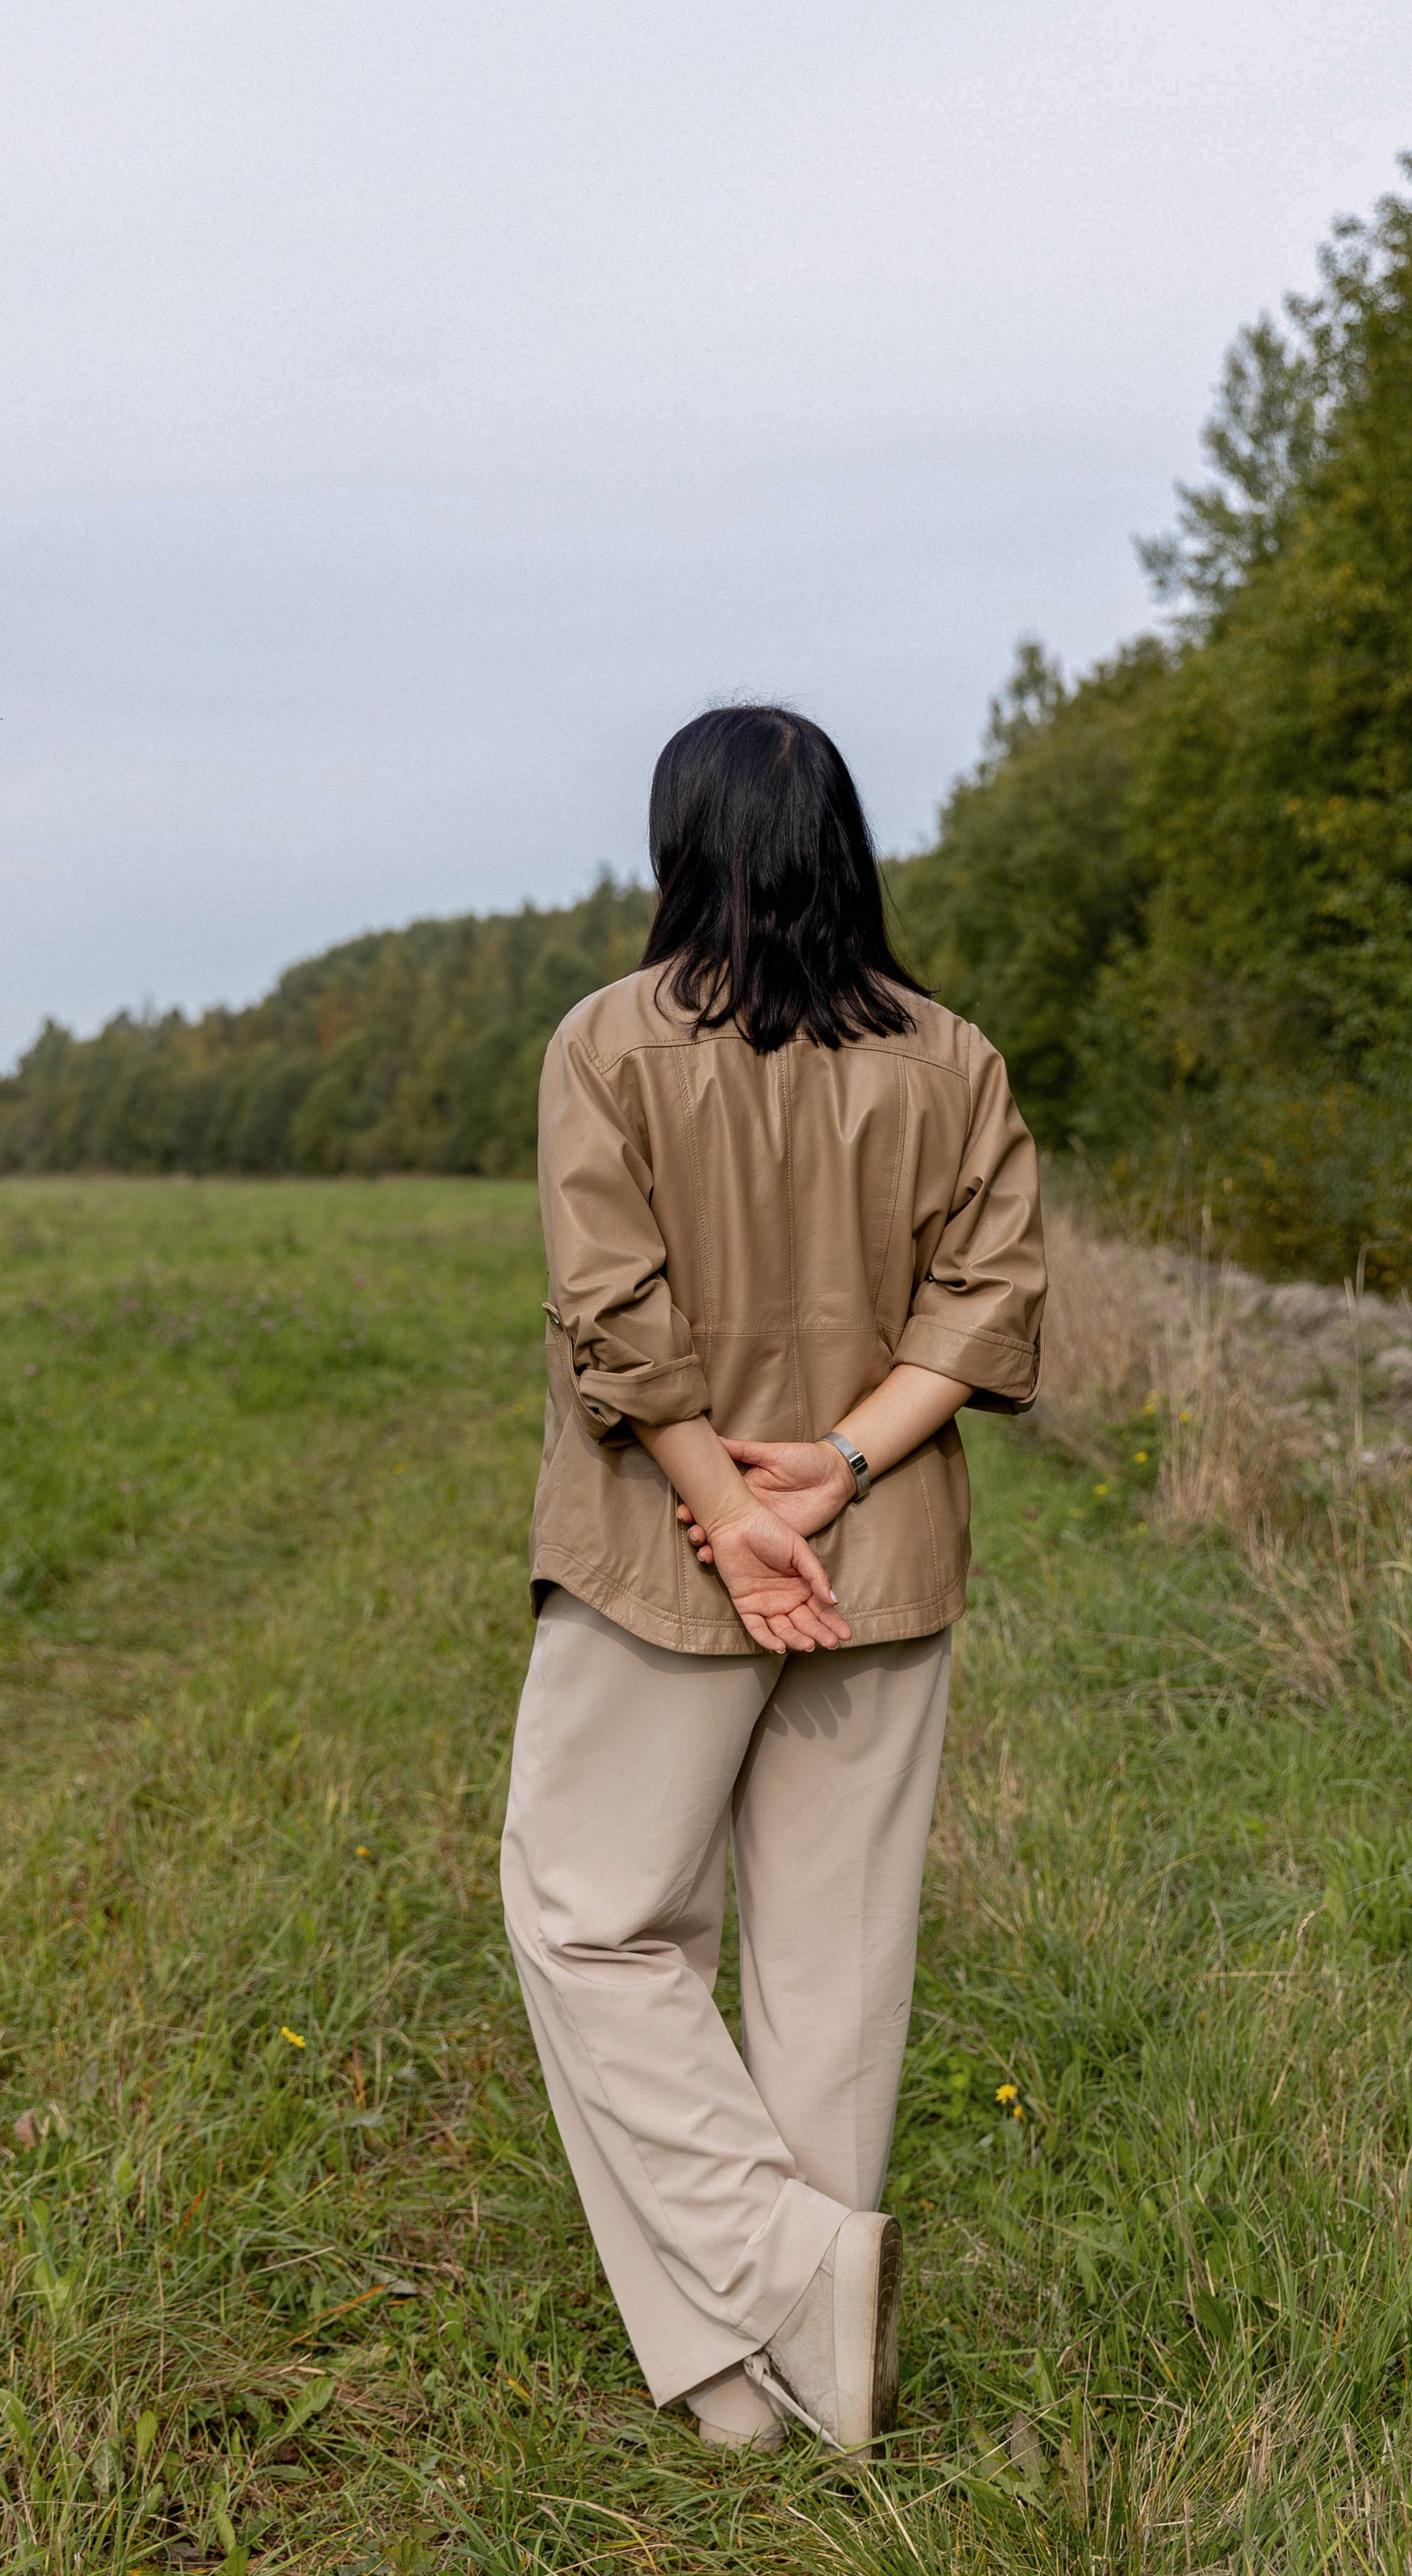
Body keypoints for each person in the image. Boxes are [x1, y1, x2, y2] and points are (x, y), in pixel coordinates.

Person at [500, 704, 1045, 2455]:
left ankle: (775, 2292)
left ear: (680, 846)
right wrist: (845, 1464)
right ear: (843, 842)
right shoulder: (949, 1053)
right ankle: (784, 2376)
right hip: (875, 1551)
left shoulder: (608, 1042)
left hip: (662, 1553)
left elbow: (612, 1311)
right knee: (834, 1961)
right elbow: (990, 1294)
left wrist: (724, 1505)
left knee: (587, 1916)